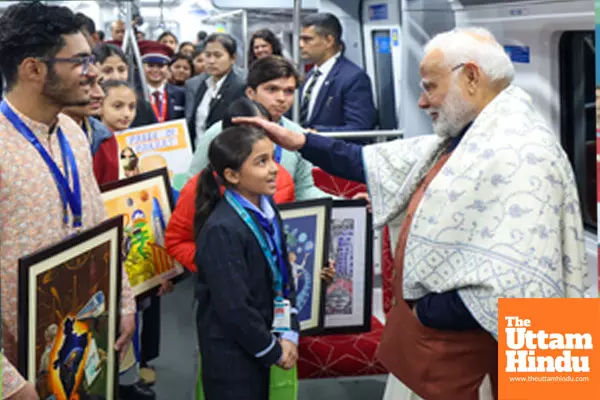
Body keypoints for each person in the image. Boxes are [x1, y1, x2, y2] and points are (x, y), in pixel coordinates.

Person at [233, 27, 589, 399]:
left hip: (481, 346)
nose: (422, 102)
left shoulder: (519, 152)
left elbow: (519, 289)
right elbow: (375, 161)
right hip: (458, 338)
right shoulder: (473, 138)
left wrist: (427, 308)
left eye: (430, 87)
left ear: (470, 77)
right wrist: (302, 141)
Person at [0, 2, 136, 399]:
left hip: (74, 351)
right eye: (80, 61)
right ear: (33, 69)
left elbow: (97, 224)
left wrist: (123, 298)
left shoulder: (74, 134)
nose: (94, 72)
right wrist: (8, 384)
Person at [194, 124, 300, 399]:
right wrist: (273, 349)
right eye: (261, 162)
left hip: (264, 334)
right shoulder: (222, 228)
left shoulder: (267, 208)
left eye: (273, 158)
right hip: (231, 352)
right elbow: (234, 306)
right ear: (232, 175)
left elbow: (282, 273)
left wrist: (289, 332)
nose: (274, 168)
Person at [188, 55, 329, 201]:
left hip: (283, 219)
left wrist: (342, 204)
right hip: (230, 218)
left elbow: (304, 189)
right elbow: (194, 184)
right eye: (272, 89)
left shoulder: (297, 135)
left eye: (289, 91)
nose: (281, 98)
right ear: (251, 93)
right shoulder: (220, 132)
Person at [299, 13, 376, 135]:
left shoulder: (353, 77)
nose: (301, 45)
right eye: (300, 39)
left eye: (307, 39)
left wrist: (315, 133)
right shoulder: (308, 77)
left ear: (329, 41)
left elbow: (359, 128)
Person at [186, 33, 246, 149]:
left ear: (232, 58)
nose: (211, 61)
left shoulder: (239, 88)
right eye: (207, 55)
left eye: (218, 56)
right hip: (199, 153)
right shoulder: (203, 86)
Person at [93, 43, 158, 128]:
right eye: (107, 71)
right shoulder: (86, 111)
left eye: (121, 70)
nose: (116, 77)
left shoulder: (142, 107)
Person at [139, 41, 186, 123]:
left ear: (168, 68)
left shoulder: (181, 94)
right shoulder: (134, 95)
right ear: (142, 67)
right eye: (150, 65)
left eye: (161, 66)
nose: (155, 70)